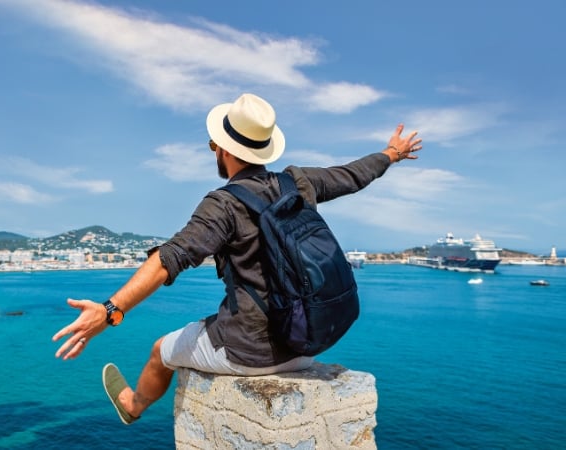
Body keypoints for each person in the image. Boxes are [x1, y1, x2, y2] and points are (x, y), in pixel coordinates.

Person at [52, 93, 422, 425]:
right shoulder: (298, 182)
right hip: (308, 343)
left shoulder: (224, 204)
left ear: (224, 150)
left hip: (249, 352)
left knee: (160, 352)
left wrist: (109, 310)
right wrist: (392, 153)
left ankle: (133, 406)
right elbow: (353, 175)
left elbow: (170, 258)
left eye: (214, 144)